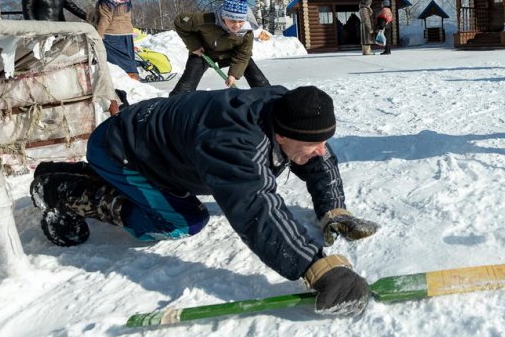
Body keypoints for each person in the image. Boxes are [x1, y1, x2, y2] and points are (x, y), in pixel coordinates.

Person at [29, 85, 379, 316]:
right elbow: (255, 208)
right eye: (312, 145)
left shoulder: (288, 110)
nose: (321, 152)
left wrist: (333, 209)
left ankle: (81, 178)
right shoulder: (235, 145)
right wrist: (316, 268)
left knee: (304, 156)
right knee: (181, 221)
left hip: (161, 144)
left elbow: (318, 157)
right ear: (282, 135)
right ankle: (64, 192)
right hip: (122, 150)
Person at [170, 0, 271, 95]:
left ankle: (267, 94)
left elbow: (243, 55)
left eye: (241, 21)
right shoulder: (205, 20)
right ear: (223, 17)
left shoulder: (247, 31)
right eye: (232, 21)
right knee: (189, 79)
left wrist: (233, 74)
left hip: (231, 54)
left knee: (250, 66)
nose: (237, 25)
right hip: (204, 53)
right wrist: (194, 46)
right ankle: (176, 101)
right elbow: (180, 21)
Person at [94, 0, 139, 80]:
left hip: (112, 33)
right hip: (127, 33)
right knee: (126, 57)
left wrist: (98, 35)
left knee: (116, 61)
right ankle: (132, 78)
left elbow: (106, 18)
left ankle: (128, 79)